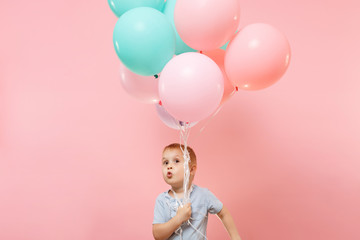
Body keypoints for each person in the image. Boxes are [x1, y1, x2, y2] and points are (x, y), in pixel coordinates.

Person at [152, 143, 241, 240]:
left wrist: (235, 237)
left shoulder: (203, 195)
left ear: (191, 169)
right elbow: (157, 235)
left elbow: (223, 213)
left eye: (176, 161)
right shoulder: (162, 200)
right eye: (165, 162)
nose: (169, 166)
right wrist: (178, 219)